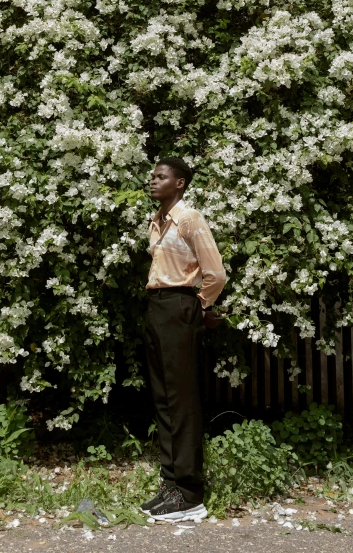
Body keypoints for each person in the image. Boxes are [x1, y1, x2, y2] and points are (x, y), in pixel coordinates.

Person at [139, 157, 226, 522]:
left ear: (180, 183)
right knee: (163, 400)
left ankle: (190, 495)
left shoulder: (190, 218)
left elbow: (216, 274)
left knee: (182, 401)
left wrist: (199, 306)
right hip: (157, 307)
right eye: (153, 176)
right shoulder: (157, 220)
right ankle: (171, 485)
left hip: (179, 306)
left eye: (161, 177)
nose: (153, 181)